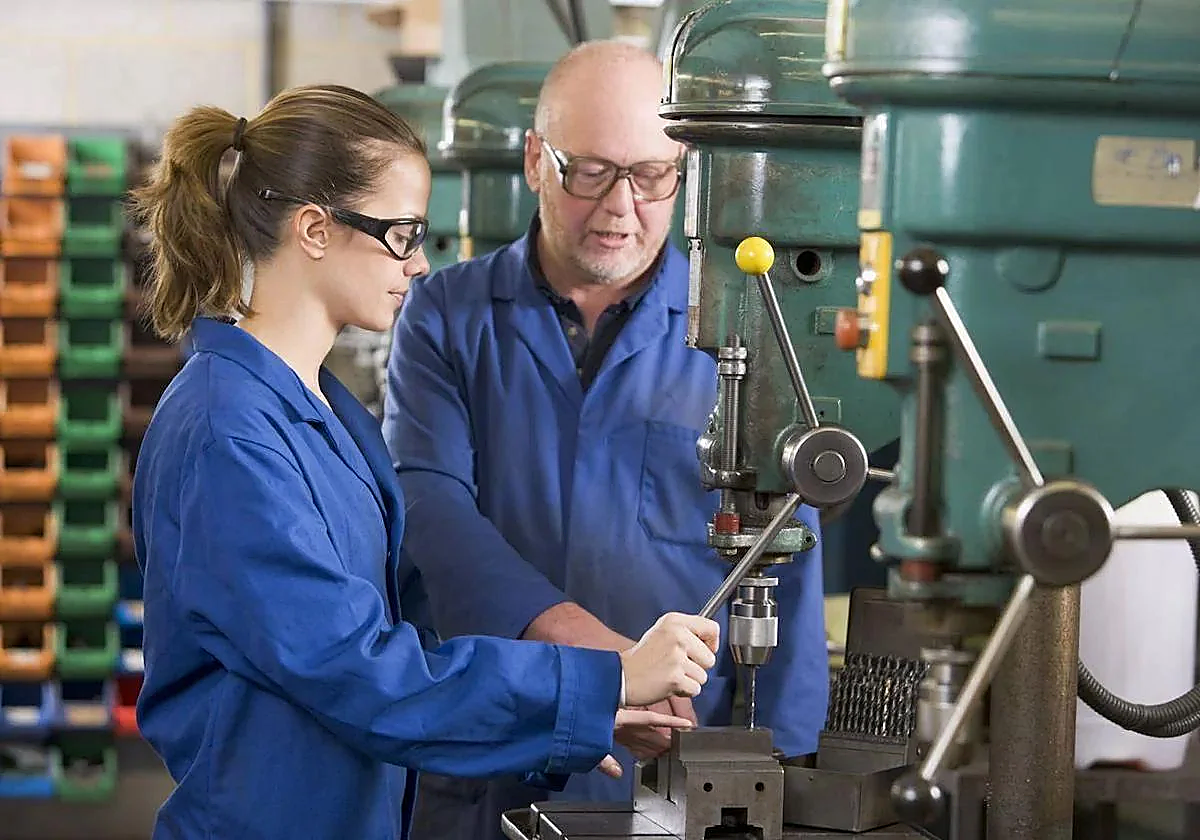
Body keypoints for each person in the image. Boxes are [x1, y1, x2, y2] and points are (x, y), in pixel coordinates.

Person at [127, 83, 723, 840]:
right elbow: (361, 674)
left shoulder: (325, 414)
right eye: (401, 233)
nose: (415, 264)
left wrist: (583, 714)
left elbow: (411, 644)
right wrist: (605, 677)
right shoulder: (229, 435)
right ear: (314, 228)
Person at [382, 41, 829, 840]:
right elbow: (430, 509)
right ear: (533, 159)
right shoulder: (446, 317)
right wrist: (609, 665)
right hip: (490, 750)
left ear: (683, 170)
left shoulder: (742, 329)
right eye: (588, 171)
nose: (621, 206)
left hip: (680, 771)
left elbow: (789, 552)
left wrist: (787, 771)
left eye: (651, 175)